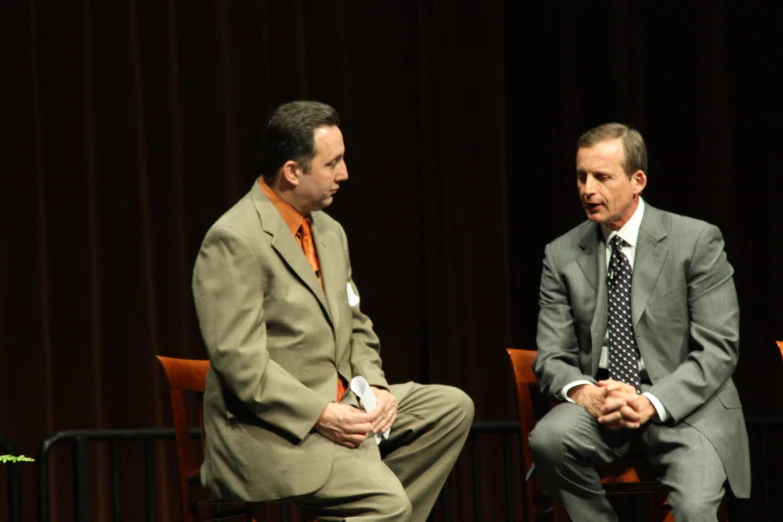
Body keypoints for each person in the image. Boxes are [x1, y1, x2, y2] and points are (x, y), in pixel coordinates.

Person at [192, 100, 473, 522]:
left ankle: (369, 498)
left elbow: (356, 325)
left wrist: (376, 388)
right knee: (387, 505)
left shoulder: (328, 231)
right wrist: (321, 414)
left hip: (346, 401)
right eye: (332, 164)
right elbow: (240, 362)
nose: (344, 174)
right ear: (292, 171)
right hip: (273, 431)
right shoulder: (234, 239)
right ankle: (377, 502)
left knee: (450, 407)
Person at [529, 123, 750, 521]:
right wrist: (585, 393)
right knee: (549, 439)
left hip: (685, 407)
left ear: (638, 181)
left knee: (696, 508)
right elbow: (551, 356)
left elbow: (719, 347)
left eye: (602, 177)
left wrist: (650, 400)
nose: (587, 189)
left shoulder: (696, 240)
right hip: (603, 407)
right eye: (581, 176)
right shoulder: (561, 254)